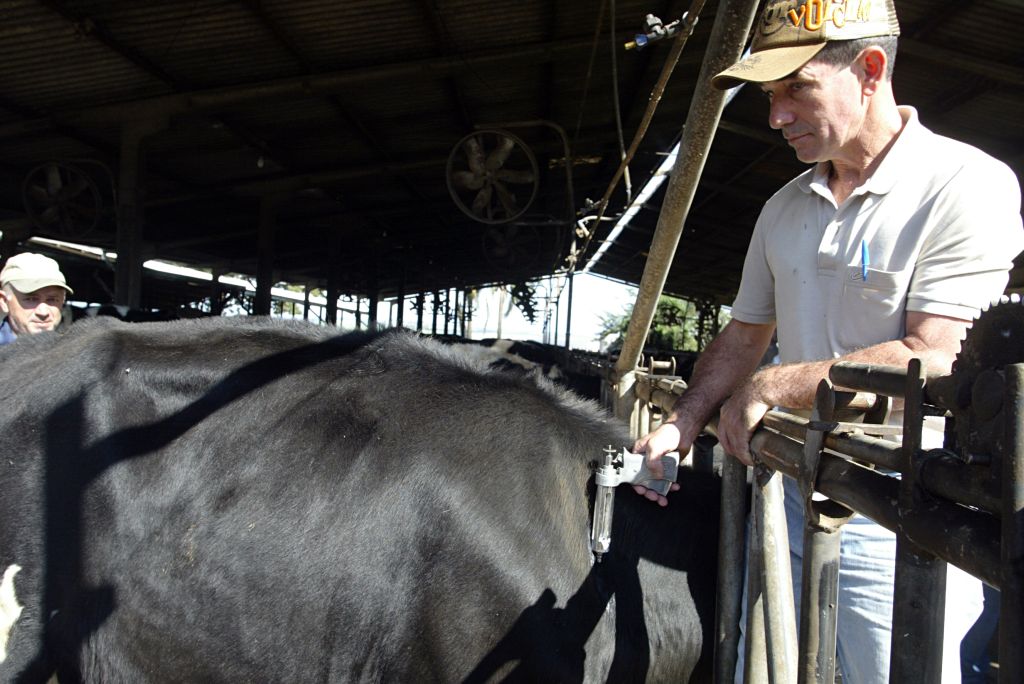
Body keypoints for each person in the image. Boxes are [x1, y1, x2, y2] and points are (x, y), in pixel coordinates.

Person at [633, 1, 1024, 682]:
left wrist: (773, 385)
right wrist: (682, 422)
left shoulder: (965, 185)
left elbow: (936, 354)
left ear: (870, 70)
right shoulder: (783, 207)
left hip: (902, 508)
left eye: (797, 87)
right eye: (770, 95)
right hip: (787, 489)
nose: (776, 115)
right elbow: (746, 333)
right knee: (767, 664)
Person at [0, 252, 73, 345]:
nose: (43, 312)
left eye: (52, 300)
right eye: (31, 299)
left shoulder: (72, 349)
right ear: (4, 301)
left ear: (63, 300)